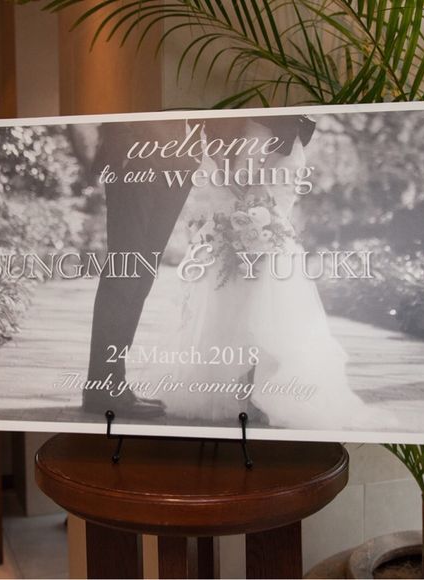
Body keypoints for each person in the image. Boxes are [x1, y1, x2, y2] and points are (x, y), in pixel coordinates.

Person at [150, 116, 398, 431]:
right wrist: (230, 177)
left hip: (268, 190)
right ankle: (238, 391)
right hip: (241, 187)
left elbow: (277, 184)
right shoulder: (237, 129)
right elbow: (215, 148)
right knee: (231, 301)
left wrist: (253, 193)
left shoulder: (284, 135)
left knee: (262, 300)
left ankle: (258, 392)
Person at [81, 120, 200, 418]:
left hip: (179, 162)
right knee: (124, 273)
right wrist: (123, 144)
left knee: (142, 276)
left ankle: (113, 383)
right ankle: (102, 387)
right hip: (135, 153)